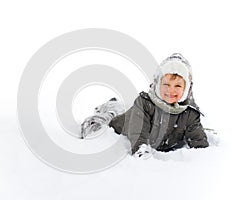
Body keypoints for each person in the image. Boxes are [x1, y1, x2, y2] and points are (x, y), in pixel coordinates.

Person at [81, 53, 209, 158]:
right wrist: (141, 151)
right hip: (124, 123)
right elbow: (138, 135)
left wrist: (202, 155)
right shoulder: (145, 104)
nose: (171, 90)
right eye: (166, 84)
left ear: (186, 89)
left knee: (122, 109)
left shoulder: (190, 113)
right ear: (157, 84)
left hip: (161, 141)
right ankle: (111, 106)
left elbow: (199, 145)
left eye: (178, 86)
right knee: (111, 118)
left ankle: (116, 105)